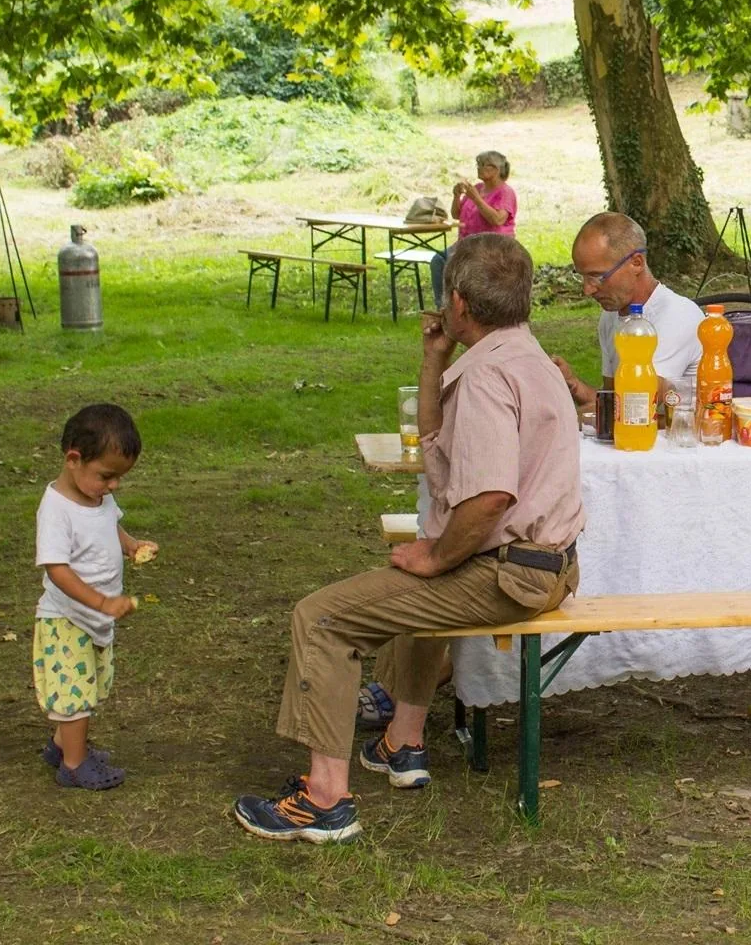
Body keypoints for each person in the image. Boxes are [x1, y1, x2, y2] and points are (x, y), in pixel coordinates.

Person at [233, 233, 584, 844]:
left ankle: (324, 802)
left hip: (506, 572)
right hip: (544, 567)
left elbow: (490, 497)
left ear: (458, 302)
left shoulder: (488, 378)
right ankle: (401, 743)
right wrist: (433, 358)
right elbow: (437, 445)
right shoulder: (528, 358)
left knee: (322, 618)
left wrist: (437, 554)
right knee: (403, 593)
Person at [32, 404, 158, 791]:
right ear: (74, 458)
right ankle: (73, 765)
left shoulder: (99, 499)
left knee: (89, 685)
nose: (114, 486)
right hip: (66, 619)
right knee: (77, 694)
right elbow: (57, 569)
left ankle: (61, 745)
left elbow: (111, 526)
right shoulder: (57, 509)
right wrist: (102, 602)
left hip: (95, 620)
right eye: (107, 476)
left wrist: (131, 545)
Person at [551, 212, 704, 410]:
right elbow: (612, 400)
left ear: (636, 263)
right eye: (582, 277)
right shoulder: (611, 316)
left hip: (679, 438)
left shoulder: (677, 316)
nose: (587, 290)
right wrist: (572, 383)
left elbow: (635, 406)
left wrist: (555, 424)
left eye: (597, 277)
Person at [429, 150, 517, 297]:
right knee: (439, 261)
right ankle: (444, 308)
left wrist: (477, 199)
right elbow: (456, 214)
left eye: (482, 165)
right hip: (466, 243)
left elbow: (497, 219)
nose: (478, 168)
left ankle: (462, 309)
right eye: (478, 164)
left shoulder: (505, 192)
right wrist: (457, 196)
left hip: (492, 246)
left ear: (495, 169)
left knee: (461, 268)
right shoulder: (477, 188)